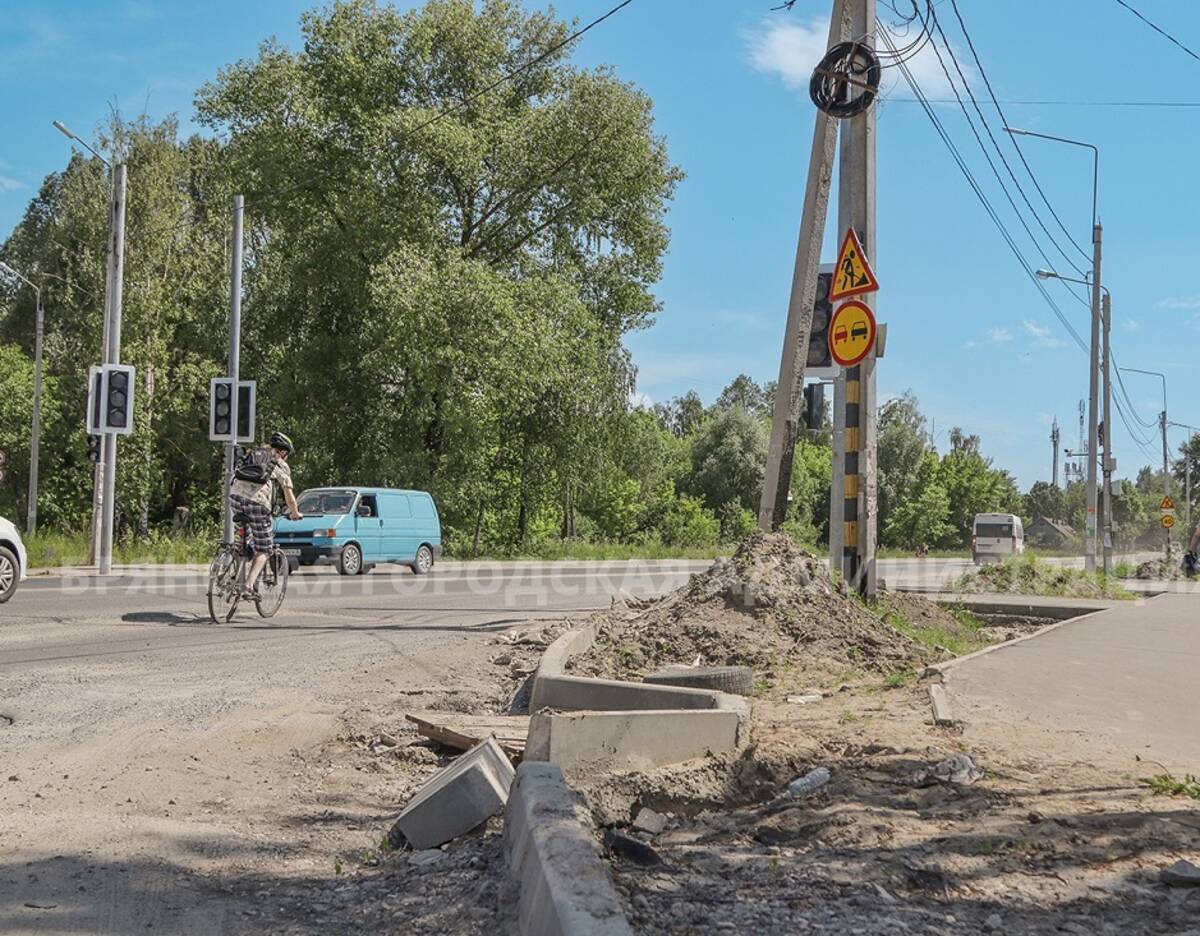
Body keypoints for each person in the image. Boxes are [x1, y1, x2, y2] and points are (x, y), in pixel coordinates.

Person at [229, 431, 302, 598]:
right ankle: (247, 586)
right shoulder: (279, 462)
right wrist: (296, 513)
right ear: (283, 451)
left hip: (234, 499)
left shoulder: (252, 453)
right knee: (264, 548)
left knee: (244, 539)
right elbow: (288, 495)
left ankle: (228, 568)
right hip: (257, 504)